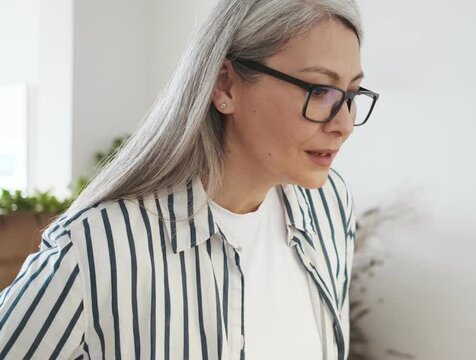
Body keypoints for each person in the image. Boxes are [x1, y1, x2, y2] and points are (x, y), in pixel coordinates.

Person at [0, 0, 379, 359]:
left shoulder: (330, 205)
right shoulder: (97, 249)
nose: (344, 124)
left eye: (350, 93)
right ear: (225, 85)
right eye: (319, 90)